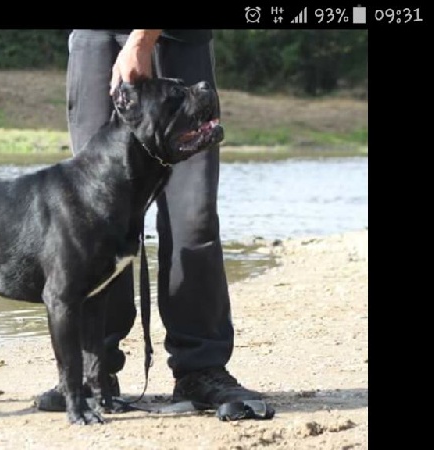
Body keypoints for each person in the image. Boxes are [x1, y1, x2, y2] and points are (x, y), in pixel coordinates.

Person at [35, 29, 272, 419]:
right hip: (96, 41)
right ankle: (94, 372)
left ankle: (201, 367)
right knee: (94, 220)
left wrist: (142, 40)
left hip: (178, 40)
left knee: (191, 217)